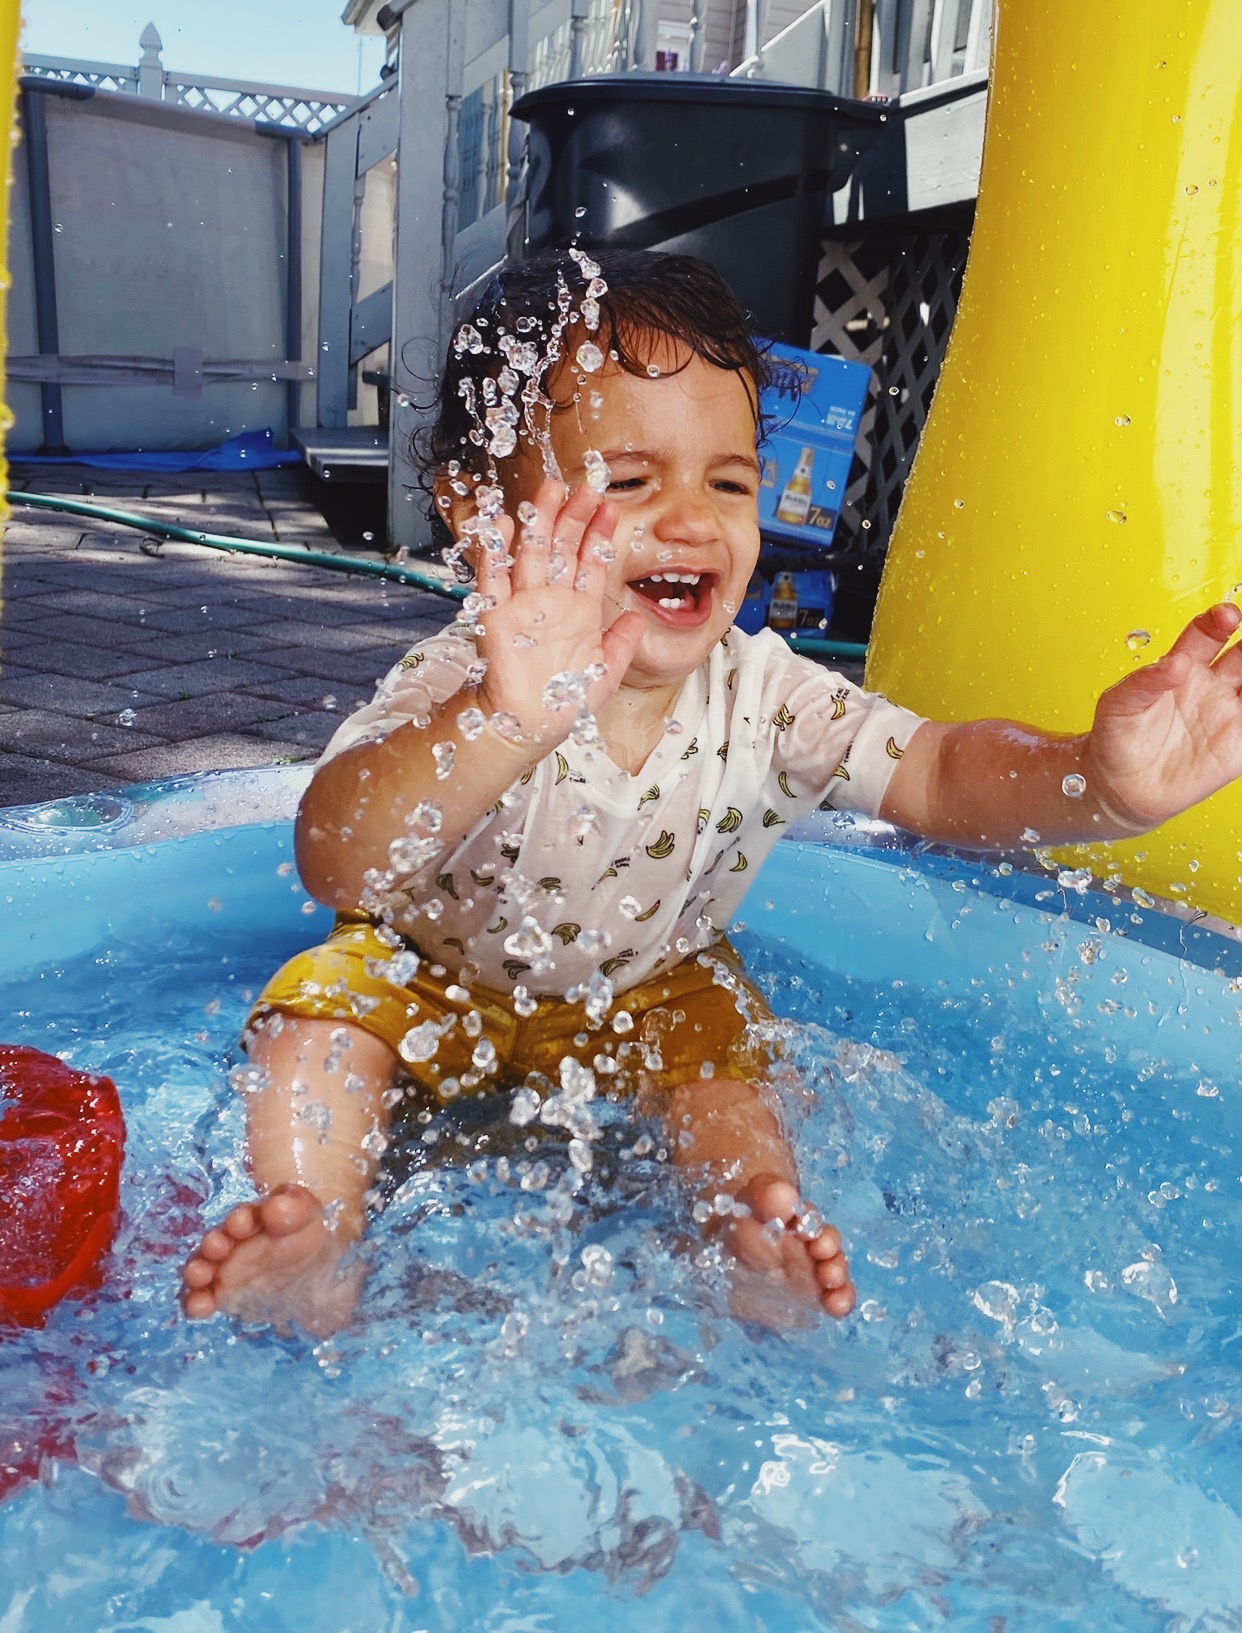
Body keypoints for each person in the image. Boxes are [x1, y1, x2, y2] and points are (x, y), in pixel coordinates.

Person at [182, 248, 1242, 1336]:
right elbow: (341, 861)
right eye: (631, 481)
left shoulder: (768, 694)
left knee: (724, 1077)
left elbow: (935, 769)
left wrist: (1094, 783)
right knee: (315, 1024)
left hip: (649, 986)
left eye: (727, 482)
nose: (693, 520)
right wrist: (503, 721)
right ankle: (312, 1230)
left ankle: (749, 1236)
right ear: (482, 514)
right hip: (429, 973)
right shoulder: (467, 680)